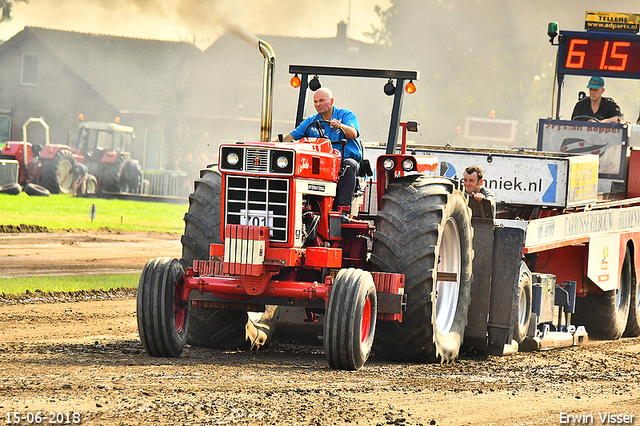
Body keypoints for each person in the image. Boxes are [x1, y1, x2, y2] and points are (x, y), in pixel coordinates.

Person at [279, 88, 362, 216]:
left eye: (322, 101)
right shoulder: (311, 121)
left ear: (331, 101)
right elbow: (290, 137)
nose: (318, 104)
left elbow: (353, 133)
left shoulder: (345, 115)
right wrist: (267, 142)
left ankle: (343, 210)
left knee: (348, 166)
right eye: (315, 101)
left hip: (342, 161)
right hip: (321, 164)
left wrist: (340, 126)